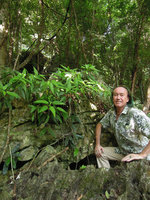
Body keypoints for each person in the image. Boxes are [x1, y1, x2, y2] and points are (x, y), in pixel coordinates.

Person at [95, 86, 150, 169]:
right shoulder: (112, 113)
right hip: (123, 152)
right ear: (112, 98)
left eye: (121, 95)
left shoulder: (135, 114)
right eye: (115, 95)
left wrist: (142, 155)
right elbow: (100, 125)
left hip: (140, 153)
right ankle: (106, 179)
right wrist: (97, 145)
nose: (118, 98)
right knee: (100, 153)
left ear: (127, 99)